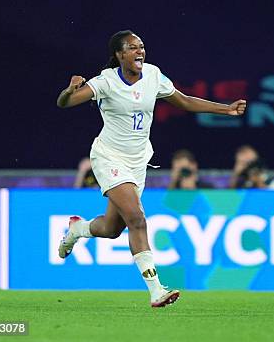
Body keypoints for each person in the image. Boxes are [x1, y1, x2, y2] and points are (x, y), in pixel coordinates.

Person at [55, 30, 246, 308]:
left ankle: (77, 229)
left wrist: (225, 109)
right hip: (109, 157)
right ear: (120, 55)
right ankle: (156, 290)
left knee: (111, 228)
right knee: (137, 218)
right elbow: (66, 103)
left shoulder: (154, 76)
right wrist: (68, 90)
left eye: (141, 47)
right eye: (132, 48)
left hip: (138, 160)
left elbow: (184, 100)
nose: (139, 51)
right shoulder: (106, 81)